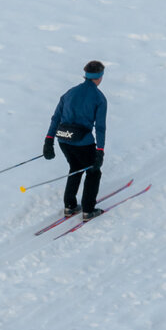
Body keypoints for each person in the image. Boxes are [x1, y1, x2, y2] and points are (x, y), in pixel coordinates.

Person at [43, 60, 107, 221]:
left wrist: (49, 140)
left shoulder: (69, 93)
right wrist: (100, 150)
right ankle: (88, 210)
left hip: (63, 140)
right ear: (99, 77)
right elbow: (100, 127)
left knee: (75, 167)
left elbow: (56, 118)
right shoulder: (99, 98)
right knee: (93, 172)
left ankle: (70, 206)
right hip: (83, 142)